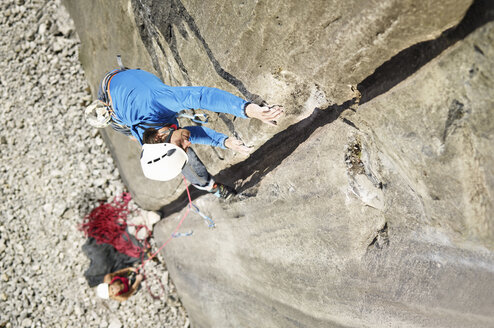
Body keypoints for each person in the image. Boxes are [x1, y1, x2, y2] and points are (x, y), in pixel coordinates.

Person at [85, 68, 284, 198]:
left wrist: (249, 110)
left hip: (121, 95)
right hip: (120, 111)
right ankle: (210, 186)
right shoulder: (151, 140)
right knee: (178, 155)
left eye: (181, 146)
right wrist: (224, 141)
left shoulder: (156, 101)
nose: (187, 145)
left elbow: (202, 96)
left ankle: (208, 186)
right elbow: (188, 134)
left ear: (160, 137)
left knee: (187, 159)